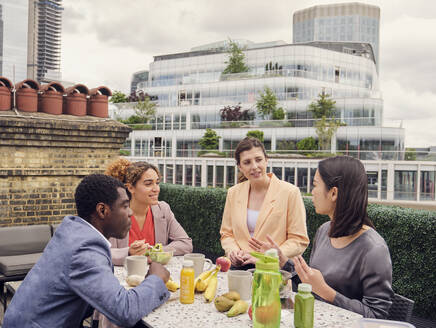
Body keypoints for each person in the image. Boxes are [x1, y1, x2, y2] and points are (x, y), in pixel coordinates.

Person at [3, 174, 170, 328]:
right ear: (102, 210)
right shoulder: (84, 249)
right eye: (125, 206)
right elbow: (124, 311)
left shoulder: (74, 233)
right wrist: (156, 278)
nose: (130, 212)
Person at [259, 156, 394, 318]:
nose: (312, 192)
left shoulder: (374, 249)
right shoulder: (324, 231)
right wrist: (283, 262)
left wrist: (326, 291)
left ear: (334, 193)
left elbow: (376, 316)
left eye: (315, 185)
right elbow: (311, 285)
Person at [220, 137, 309, 268]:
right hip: (239, 267)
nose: (254, 167)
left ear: (266, 160)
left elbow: (299, 240)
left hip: (272, 269)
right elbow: (226, 234)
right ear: (240, 167)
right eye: (247, 162)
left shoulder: (290, 192)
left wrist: (269, 256)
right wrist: (233, 252)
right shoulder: (233, 193)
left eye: (258, 160)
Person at [105, 158, 193, 265]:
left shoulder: (163, 210)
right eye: (148, 184)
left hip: (157, 274)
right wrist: (128, 252)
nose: (156, 189)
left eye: (157, 183)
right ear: (130, 188)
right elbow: (102, 253)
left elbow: (185, 243)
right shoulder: (114, 215)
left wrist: (155, 252)